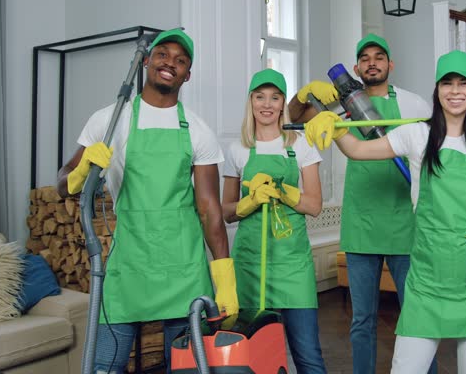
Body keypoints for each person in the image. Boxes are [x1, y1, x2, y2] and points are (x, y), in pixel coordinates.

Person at [304, 50, 466, 374]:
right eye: (447, 83)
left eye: (464, 83)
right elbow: (359, 150)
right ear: (437, 90)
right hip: (428, 279)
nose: (455, 90)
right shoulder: (417, 134)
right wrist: (336, 129)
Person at [56, 28, 238, 374]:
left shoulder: (197, 130)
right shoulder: (109, 121)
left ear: (188, 74)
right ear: (146, 61)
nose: (170, 63)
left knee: (187, 367)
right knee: (103, 365)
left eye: (180, 60)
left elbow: (209, 210)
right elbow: (62, 184)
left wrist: (225, 278)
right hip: (129, 267)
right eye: (162, 54)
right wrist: (80, 177)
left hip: (184, 269)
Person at [288, 33, 436, 374]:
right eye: (365, 58)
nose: (372, 62)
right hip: (361, 223)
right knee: (362, 320)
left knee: (418, 315)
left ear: (389, 64)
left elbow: (433, 153)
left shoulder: (414, 105)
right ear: (356, 67)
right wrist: (302, 93)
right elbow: (296, 113)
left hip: (405, 223)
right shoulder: (341, 106)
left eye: (378, 57)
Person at [222, 68, 327, 374]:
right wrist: (250, 201)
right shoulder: (238, 150)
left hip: (294, 265)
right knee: (250, 354)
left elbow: (315, 205)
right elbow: (226, 211)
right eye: (259, 97)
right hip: (250, 265)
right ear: (251, 102)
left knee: (308, 354)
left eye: (275, 97)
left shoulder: (302, 145)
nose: (266, 104)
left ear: (283, 103)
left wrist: (283, 192)